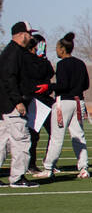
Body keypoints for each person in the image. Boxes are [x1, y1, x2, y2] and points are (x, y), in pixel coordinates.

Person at [39, 32, 90, 179]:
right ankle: (84, 167)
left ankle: (48, 167)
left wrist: (48, 87)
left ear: (62, 49)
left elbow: (63, 85)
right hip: (79, 102)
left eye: (57, 48)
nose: (56, 51)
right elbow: (86, 84)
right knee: (78, 135)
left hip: (64, 102)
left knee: (56, 137)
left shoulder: (61, 64)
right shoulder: (80, 63)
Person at [0, 20, 39, 188]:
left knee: (2, 142)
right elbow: (9, 79)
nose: (30, 37)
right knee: (21, 141)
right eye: (29, 34)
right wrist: (18, 101)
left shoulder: (10, 52)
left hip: (4, 106)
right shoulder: (14, 53)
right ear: (22, 34)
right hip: (12, 105)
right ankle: (17, 178)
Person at [23, 34, 55, 172]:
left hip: (46, 100)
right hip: (34, 100)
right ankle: (30, 164)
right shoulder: (27, 58)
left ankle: (48, 161)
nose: (43, 48)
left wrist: (43, 58)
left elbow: (50, 72)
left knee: (54, 132)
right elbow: (37, 74)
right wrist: (40, 59)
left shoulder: (43, 60)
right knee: (33, 135)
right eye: (41, 45)